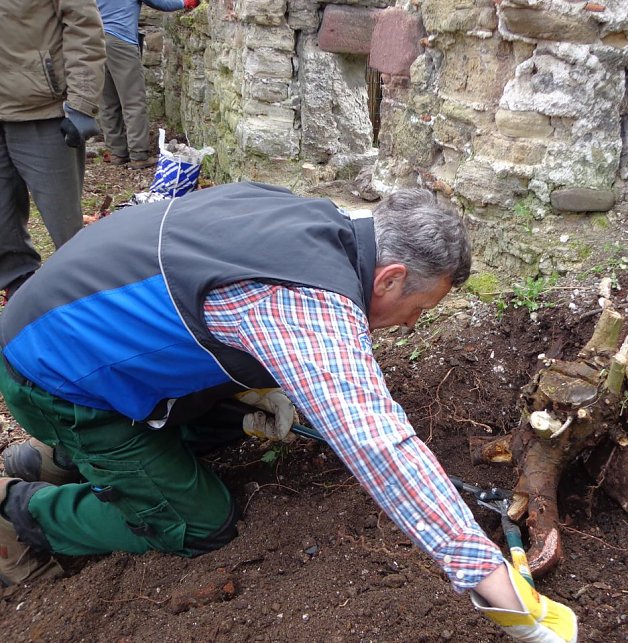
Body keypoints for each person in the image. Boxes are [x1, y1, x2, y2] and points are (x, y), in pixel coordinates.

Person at [0, 183, 577, 641]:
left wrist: (260, 396)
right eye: (416, 308)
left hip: (70, 332)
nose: (410, 325)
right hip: (55, 380)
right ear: (392, 276)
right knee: (201, 524)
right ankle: (21, 511)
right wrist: (486, 576)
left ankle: (52, 459)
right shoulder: (306, 303)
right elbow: (379, 443)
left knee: (243, 401)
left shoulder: (315, 221)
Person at [0, 0, 106, 305]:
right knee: (2, 224)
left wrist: (83, 103)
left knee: (66, 224)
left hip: (42, 110)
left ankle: (89, 299)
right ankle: (22, 290)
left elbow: (83, 24)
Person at [96, 0, 199, 170]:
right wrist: (185, 2)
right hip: (121, 41)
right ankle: (138, 155)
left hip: (97, 41)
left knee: (108, 101)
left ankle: (117, 152)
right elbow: (161, 3)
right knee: (133, 101)